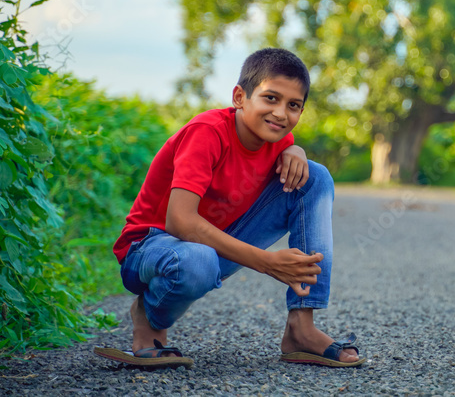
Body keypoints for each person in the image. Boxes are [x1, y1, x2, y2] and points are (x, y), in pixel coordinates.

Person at [94, 48, 363, 369]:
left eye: (294, 105)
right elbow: (180, 222)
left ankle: (301, 329)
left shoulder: (279, 142)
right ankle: (149, 321)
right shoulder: (206, 133)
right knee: (197, 260)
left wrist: (297, 148)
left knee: (315, 176)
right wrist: (266, 262)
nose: (280, 113)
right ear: (239, 97)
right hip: (149, 248)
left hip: (209, 245)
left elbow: (289, 149)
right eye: (271, 98)